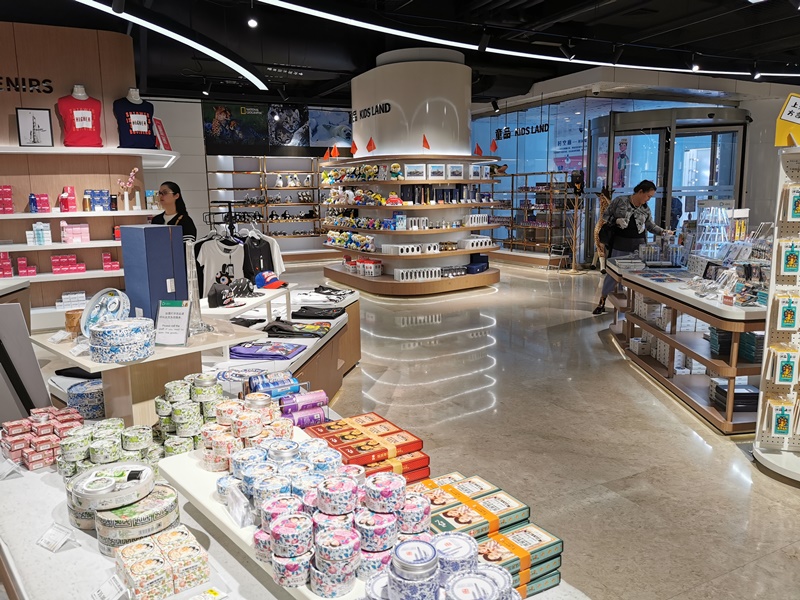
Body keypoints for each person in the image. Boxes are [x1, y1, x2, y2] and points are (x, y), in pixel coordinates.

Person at [592, 180, 672, 315]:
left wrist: (663, 232)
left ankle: (632, 304)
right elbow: (605, 217)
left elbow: (650, 226)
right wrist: (616, 221)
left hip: (638, 246)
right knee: (613, 274)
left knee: (635, 276)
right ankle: (602, 300)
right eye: (648, 196)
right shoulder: (620, 201)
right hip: (620, 244)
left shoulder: (645, 209)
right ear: (640, 191)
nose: (648, 199)